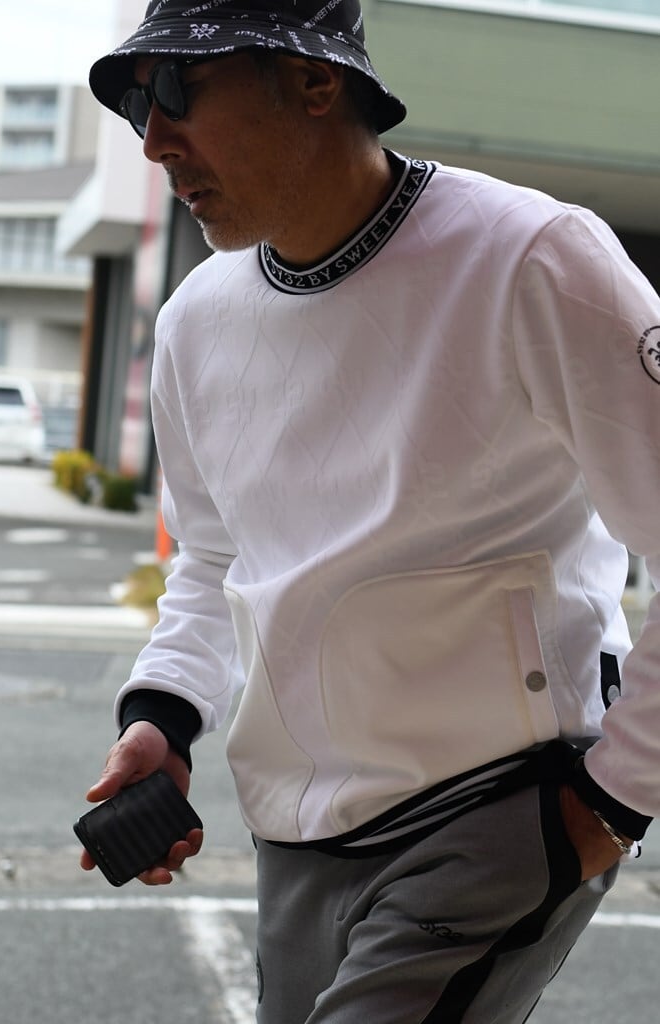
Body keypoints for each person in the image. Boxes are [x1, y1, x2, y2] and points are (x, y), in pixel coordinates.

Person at [82, 2, 660, 1021]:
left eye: (177, 88)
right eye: (137, 105)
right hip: (296, 829)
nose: (155, 138)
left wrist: (610, 802)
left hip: (495, 804)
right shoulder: (194, 323)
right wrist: (162, 717)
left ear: (317, 81)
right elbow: (213, 560)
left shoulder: (534, 258)